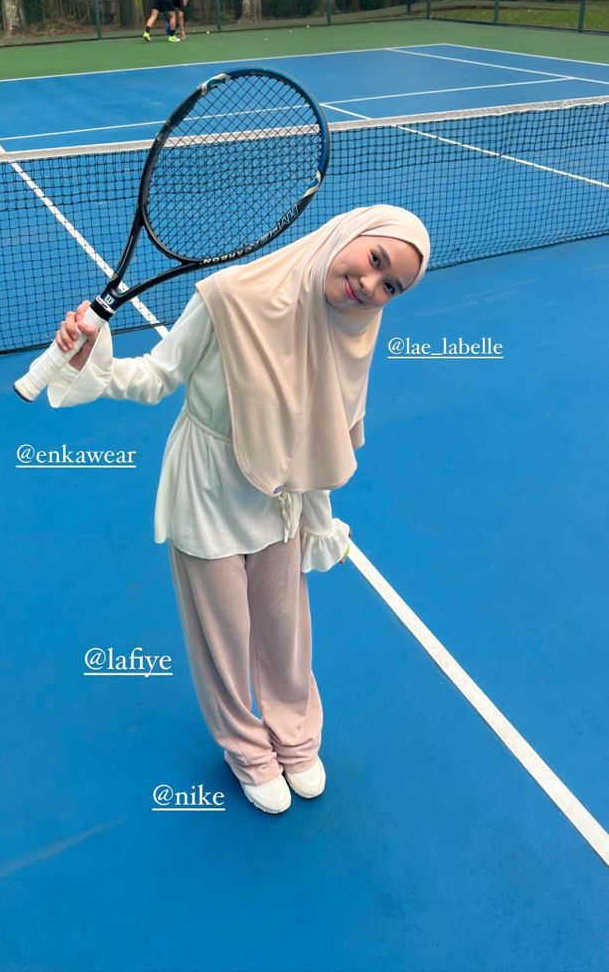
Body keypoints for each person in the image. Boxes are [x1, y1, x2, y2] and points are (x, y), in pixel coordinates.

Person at [48, 206, 430, 815]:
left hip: (280, 497)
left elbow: (326, 428)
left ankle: (295, 738)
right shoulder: (230, 296)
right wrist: (88, 356)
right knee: (223, 638)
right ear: (348, 236)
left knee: (285, 632)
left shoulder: (352, 330)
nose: (371, 285)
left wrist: (317, 516)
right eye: (376, 260)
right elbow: (154, 378)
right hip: (206, 491)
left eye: (392, 287)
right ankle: (247, 750)